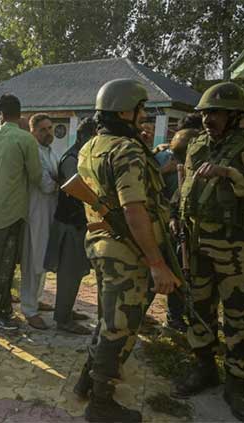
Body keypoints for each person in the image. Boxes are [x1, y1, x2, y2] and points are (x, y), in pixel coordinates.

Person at [172, 82, 244, 423]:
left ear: (236, 117)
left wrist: (230, 173)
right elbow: (186, 184)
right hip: (197, 242)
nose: (208, 120)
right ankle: (205, 366)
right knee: (199, 308)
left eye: (215, 114)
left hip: (236, 247)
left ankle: (237, 384)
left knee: (236, 316)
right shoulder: (197, 144)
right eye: (205, 114)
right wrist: (178, 217)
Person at [73, 79, 180, 423]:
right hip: (128, 251)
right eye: (140, 109)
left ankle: (86, 380)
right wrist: (157, 262)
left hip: (102, 246)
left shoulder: (91, 146)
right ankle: (101, 405)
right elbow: (134, 211)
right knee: (119, 326)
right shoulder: (127, 149)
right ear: (124, 110)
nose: (144, 116)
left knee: (107, 318)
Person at [0, 94, 42, 331]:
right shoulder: (26, 139)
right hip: (14, 210)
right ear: (19, 113)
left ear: (0, 114)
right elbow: (36, 175)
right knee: (5, 264)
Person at [44, 117, 97, 335]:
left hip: (77, 224)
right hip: (70, 225)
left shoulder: (81, 157)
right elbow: (78, 188)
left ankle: (65, 310)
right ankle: (63, 319)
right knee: (69, 274)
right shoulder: (71, 159)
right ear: (82, 136)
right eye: (93, 137)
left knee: (75, 273)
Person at [155, 128, 200, 332]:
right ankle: (173, 316)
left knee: (188, 272)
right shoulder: (161, 158)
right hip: (164, 225)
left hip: (189, 227)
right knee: (173, 270)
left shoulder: (199, 162)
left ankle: (186, 313)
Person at [19, 113, 58, 330]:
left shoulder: (51, 152)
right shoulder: (33, 151)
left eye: (50, 128)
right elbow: (46, 184)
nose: (48, 133)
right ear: (32, 132)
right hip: (35, 213)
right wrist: (58, 182)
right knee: (32, 261)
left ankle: (37, 299)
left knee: (43, 258)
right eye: (42, 129)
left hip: (49, 211)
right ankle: (29, 309)